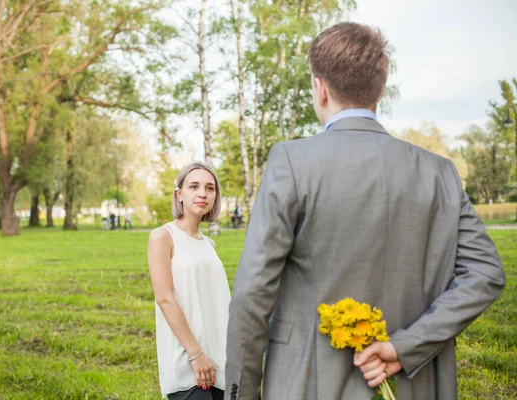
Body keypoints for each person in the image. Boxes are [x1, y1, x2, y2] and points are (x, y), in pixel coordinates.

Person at [225, 22, 505, 400]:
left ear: (320, 88)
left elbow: (252, 292)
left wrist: (240, 394)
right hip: (416, 385)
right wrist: (407, 346)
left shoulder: (291, 162)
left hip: (307, 383)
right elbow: (486, 273)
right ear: (381, 88)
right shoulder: (439, 172)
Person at [148, 162, 231, 400]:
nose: (202, 193)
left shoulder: (209, 244)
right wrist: (196, 354)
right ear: (179, 194)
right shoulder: (163, 236)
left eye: (210, 188)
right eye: (194, 186)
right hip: (188, 358)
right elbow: (164, 299)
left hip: (220, 357)